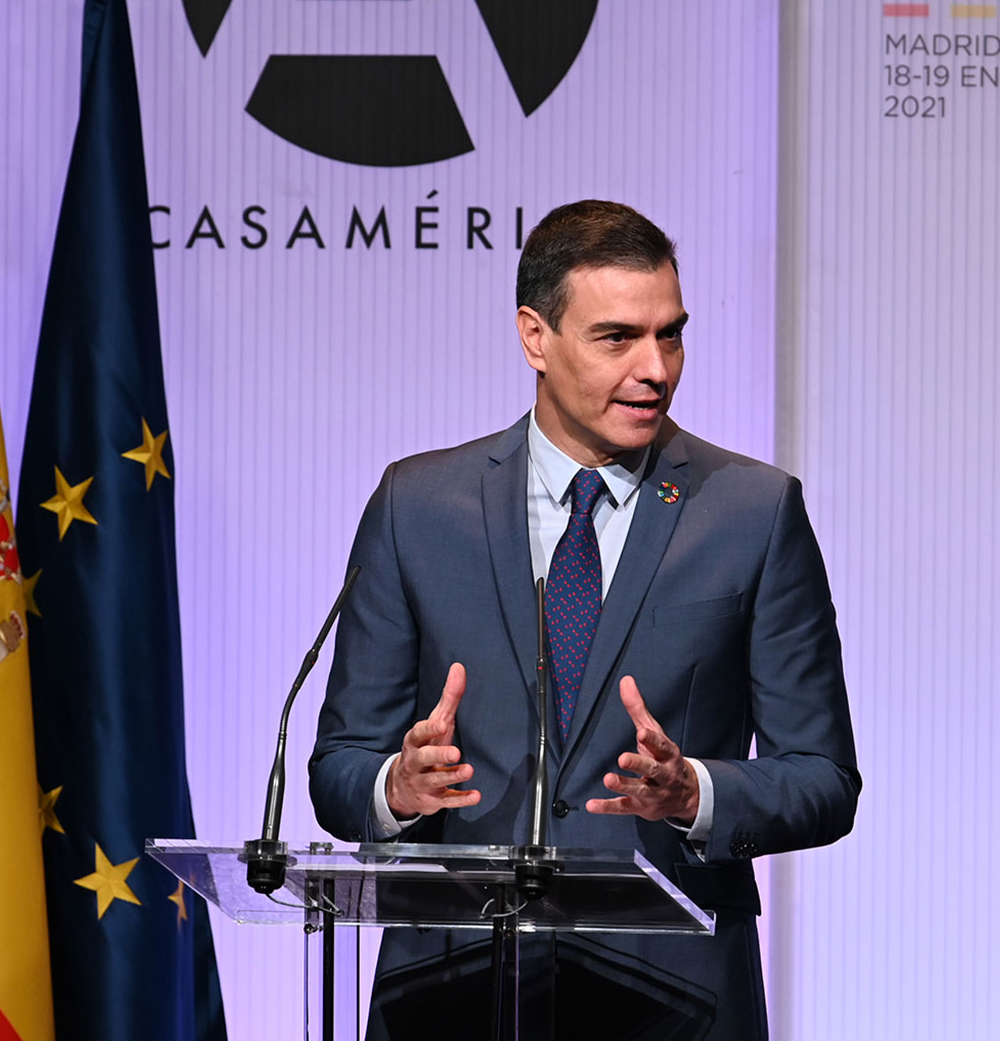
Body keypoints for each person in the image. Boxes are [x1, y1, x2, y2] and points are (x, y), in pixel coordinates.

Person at [310, 200, 859, 1039]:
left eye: (669, 334)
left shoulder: (754, 511)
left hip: (671, 999)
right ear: (536, 336)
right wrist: (397, 785)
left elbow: (823, 776)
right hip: (452, 993)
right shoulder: (417, 506)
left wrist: (697, 793)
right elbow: (338, 767)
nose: (656, 369)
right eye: (618, 338)